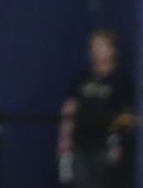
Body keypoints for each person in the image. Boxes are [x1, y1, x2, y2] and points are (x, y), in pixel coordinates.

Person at [58, 29, 135, 188]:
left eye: (101, 46)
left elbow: (126, 114)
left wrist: (117, 142)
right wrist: (65, 138)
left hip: (104, 144)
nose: (95, 50)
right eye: (93, 46)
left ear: (112, 49)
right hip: (80, 143)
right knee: (79, 182)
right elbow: (70, 107)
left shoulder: (120, 80)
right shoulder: (82, 77)